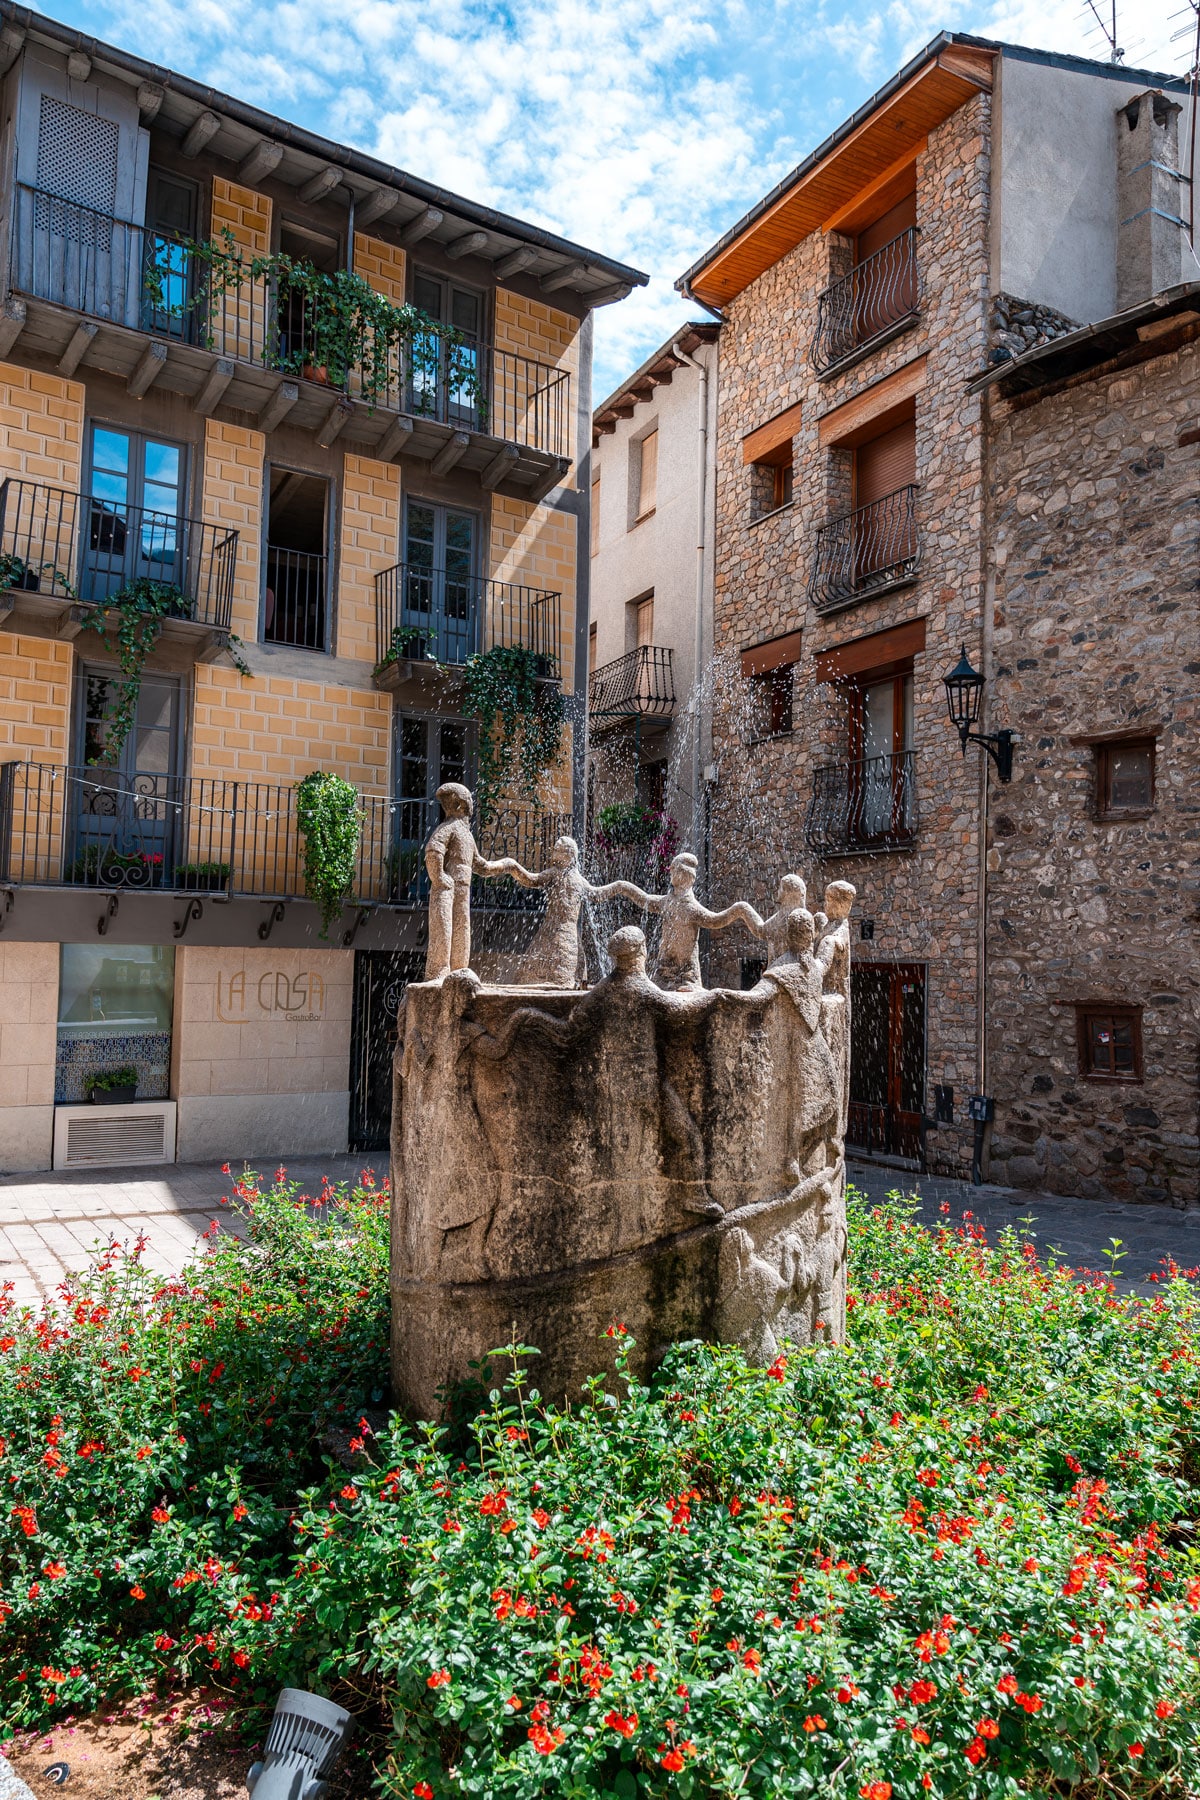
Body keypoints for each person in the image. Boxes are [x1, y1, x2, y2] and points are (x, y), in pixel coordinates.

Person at [502, 836, 639, 987]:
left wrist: (620, 886)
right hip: (557, 934)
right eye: (555, 848)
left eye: (558, 849)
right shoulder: (554, 873)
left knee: (565, 977)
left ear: (569, 853)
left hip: (567, 936)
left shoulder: (577, 880)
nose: (554, 850)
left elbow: (596, 894)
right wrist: (512, 866)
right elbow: (531, 879)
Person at [422, 783, 520, 981]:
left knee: (461, 929)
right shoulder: (449, 828)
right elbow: (433, 851)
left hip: (462, 890)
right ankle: (438, 974)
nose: (471, 809)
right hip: (447, 888)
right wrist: (440, 878)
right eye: (469, 804)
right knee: (444, 930)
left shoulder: (466, 835)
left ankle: (458, 972)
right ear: (460, 805)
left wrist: (505, 865)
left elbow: (481, 866)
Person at [619, 852, 758, 990]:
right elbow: (644, 898)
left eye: (674, 868)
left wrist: (740, 909)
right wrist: (621, 886)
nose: (671, 871)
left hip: (687, 976)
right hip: (664, 971)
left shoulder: (691, 908)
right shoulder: (666, 902)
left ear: (683, 873)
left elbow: (715, 921)